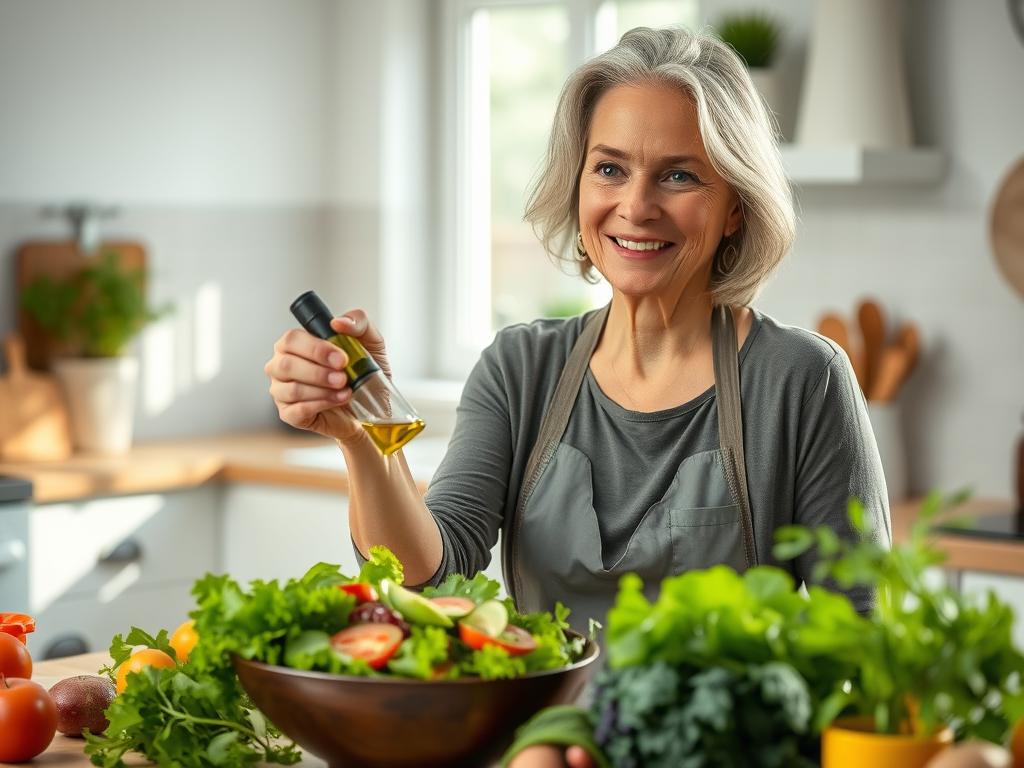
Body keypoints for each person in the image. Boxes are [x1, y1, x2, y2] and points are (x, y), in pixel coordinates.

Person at [265, 24, 891, 768]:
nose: (636, 206)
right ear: (578, 184)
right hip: (542, 750)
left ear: (735, 206)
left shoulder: (801, 379)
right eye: (610, 169)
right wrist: (362, 438)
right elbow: (428, 577)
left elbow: (861, 641)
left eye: (680, 176)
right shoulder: (520, 368)